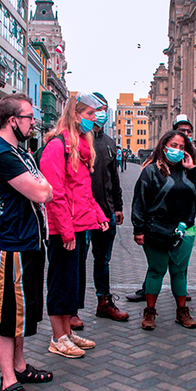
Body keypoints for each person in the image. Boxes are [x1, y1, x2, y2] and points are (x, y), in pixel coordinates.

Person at [0, 94, 54, 391]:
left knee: (22, 312)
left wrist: (42, 186)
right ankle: (8, 381)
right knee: (8, 314)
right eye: (29, 117)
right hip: (11, 244)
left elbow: (44, 189)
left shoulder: (19, 152)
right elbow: (41, 191)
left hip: (29, 242)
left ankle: (20, 366)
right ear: (13, 121)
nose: (33, 122)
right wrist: (42, 185)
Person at [39, 93, 109, 359]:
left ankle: (67, 332)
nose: (95, 119)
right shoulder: (58, 146)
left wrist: (98, 214)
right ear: (76, 114)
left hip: (79, 225)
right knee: (61, 282)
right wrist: (66, 230)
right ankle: (58, 337)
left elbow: (83, 190)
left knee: (73, 283)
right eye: (91, 114)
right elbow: (55, 192)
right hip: (64, 228)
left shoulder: (80, 144)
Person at [126, 114, 196, 303]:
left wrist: (193, 169)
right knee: (156, 271)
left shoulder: (189, 171)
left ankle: (182, 311)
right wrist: (139, 229)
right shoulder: (151, 170)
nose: (177, 150)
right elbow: (140, 201)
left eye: (181, 147)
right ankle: (150, 312)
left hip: (185, 231)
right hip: (157, 230)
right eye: (173, 146)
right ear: (164, 146)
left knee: (179, 273)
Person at [85, 92, 129, 322]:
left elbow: (114, 178)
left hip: (106, 212)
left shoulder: (110, 143)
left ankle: (103, 302)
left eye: (103, 109)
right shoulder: (78, 140)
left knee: (103, 260)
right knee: (77, 262)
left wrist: (118, 207)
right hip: (81, 215)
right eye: (94, 110)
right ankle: (71, 310)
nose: (99, 114)